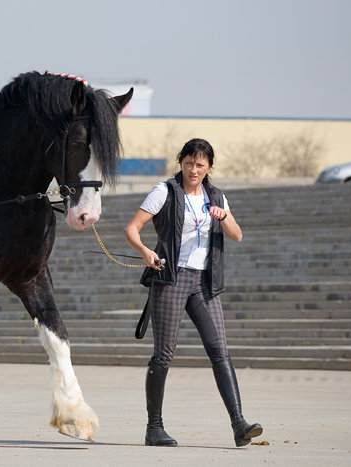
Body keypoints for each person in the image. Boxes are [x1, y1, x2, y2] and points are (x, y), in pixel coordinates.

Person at [124, 138, 262, 447]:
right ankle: (154, 428)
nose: (193, 170)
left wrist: (224, 216)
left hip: (204, 283)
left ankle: (239, 423)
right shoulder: (165, 192)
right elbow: (132, 229)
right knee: (163, 355)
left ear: (209, 167)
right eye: (188, 163)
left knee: (219, 350)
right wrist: (146, 251)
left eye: (200, 165)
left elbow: (237, 235)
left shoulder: (216, 197)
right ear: (181, 163)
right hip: (170, 278)